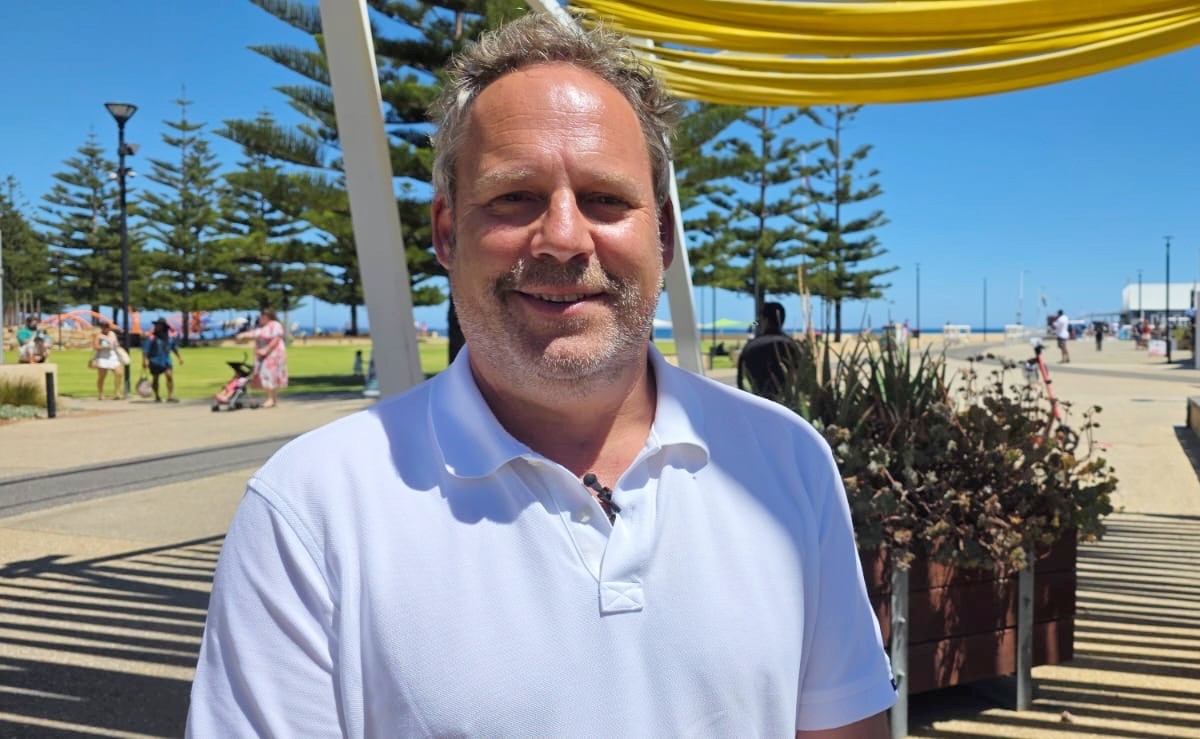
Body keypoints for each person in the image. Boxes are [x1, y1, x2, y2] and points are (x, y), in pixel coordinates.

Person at [189, 15, 893, 738]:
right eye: (514, 197)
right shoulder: (311, 510)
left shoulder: (787, 461)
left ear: (665, 237)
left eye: (606, 199)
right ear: (446, 232)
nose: (562, 237)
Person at [737, 301, 802, 399]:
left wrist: (755, 323)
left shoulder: (751, 346)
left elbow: (741, 381)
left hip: (755, 403)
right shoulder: (792, 345)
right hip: (788, 406)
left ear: (765, 320)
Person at [238, 307, 288, 408]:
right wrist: (243, 335)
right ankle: (271, 399)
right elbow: (254, 334)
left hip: (273, 355)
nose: (260, 318)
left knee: (269, 375)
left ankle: (271, 399)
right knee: (265, 375)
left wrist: (267, 349)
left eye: (262, 316)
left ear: (267, 316)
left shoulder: (275, 325)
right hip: (263, 355)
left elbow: (276, 338)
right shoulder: (262, 327)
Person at [142, 318, 184, 403]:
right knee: (155, 378)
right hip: (155, 360)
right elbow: (145, 350)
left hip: (166, 360)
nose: (158, 327)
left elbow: (174, 348)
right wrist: (145, 360)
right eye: (157, 325)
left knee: (169, 376)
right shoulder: (152, 338)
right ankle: (157, 396)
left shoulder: (169, 338)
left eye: (160, 326)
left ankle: (170, 395)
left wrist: (179, 357)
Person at [90, 320, 125, 400]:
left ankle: (117, 392)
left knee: (119, 373)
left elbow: (116, 343)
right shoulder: (99, 336)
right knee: (102, 376)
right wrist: (105, 347)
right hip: (103, 357)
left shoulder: (112, 334)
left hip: (113, 356)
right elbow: (95, 346)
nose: (106, 328)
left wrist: (116, 345)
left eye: (107, 327)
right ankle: (101, 393)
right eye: (104, 327)